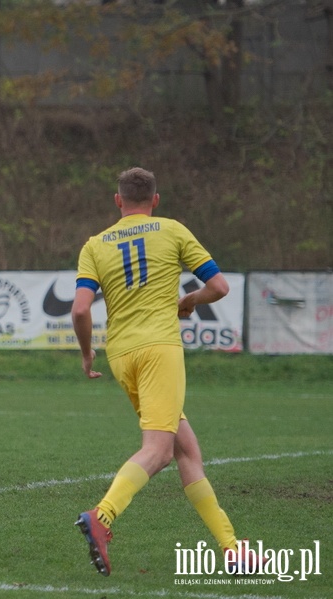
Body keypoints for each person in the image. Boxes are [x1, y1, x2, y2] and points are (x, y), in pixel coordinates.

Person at [71, 167, 253, 576]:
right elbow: (220, 287)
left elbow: (81, 309)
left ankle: (231, 548)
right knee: (158, 450)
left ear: (117, 201)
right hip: (160, 351)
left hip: (121, 356)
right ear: (155, 200)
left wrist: (87, 354)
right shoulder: (171, 230)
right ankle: (103, 515)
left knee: (185, 450)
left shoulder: (94, 244)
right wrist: (190, 298)